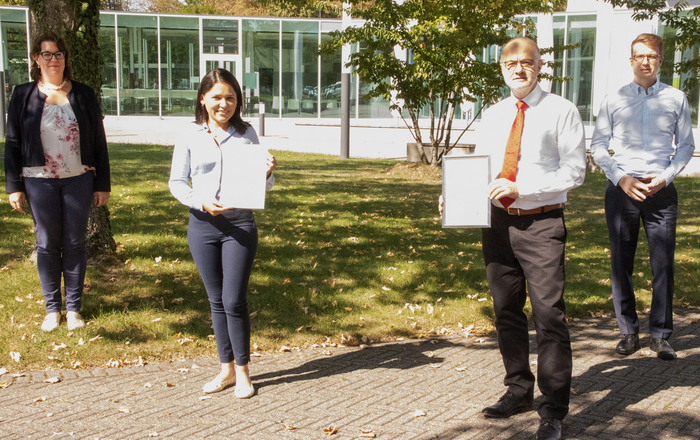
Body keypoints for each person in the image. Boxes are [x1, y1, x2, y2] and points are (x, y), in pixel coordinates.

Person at [441, 37, 585, 440]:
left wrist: (524, 189)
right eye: (511, 63)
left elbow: (574, 172)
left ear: (540, 66)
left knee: (549, 316)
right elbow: (482, 168)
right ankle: (518, 389)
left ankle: (553, 408)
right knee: (506, 310)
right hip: (498, 226)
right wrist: (455, 196)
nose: (518, 68)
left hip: (542, 224)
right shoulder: (493, 114)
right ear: (502, 68)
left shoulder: (562, 110)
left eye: (527, 62)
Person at [169, 68, 276, 398]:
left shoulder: (247, 134)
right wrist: (199, 202)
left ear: (237, 101)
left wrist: (268, 173)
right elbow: (176, 182)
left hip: (239, 225)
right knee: (216, 301)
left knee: (234, 299)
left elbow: (264, 184)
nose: (224, 103)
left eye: (230, 97)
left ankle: (243, 372)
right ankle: (226, 370)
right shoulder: (189, 136)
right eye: (217, 97)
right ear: (203, 99)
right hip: (202, 227)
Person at [590, 33, 695, 361]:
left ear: (661, 60)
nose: (645, 61)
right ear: (631, 60)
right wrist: (620, 178)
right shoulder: (614, 99)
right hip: (622, 191)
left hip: (661, 191)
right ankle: (628, 332)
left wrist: (666, 177)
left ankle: (661, 335)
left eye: (651, 56)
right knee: (621, 262)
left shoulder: (677, 99)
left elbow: (688, 146)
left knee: (663, 264)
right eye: (639, 56)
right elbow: (597, 146)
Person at [4, 32, 111, 332]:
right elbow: (12, 143)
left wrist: (102, 182)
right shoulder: (23, 94)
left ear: (66, 59)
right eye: (47, 54)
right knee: (48, 243)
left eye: (58, 54)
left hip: (78, 179)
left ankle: (74, 308)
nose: (53, 59)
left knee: (76, 242)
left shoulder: (84, 94)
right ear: (36, 59)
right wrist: (14, 185)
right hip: (39, 182)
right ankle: (53, 309)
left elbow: (99, 142)